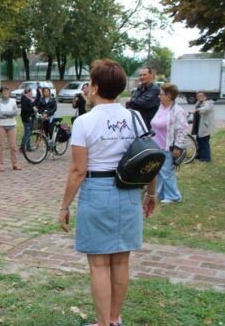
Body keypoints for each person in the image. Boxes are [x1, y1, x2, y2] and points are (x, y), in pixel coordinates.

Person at [59, 59, 157, 326]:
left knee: (99, 265)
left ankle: (103, 323)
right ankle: (114, 319)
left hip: (97, 192)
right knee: (121, 262)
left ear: (96, 86)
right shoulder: (135, 117)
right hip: (128, 192)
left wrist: (64, 205)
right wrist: (151, 194)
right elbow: (150, 160)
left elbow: (78, 171)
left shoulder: (84, 122)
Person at [151, 83, 187, 203]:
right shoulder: (161, 107)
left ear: (169, 96)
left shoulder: (178, 111)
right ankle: (161, 194)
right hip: (156, 145)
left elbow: (182, 130)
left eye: (161, 94)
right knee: (159, 172)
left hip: (167, 147)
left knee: (167, 173)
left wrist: (178, 147)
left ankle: (174, 196)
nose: (159, 96)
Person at [0, 86, 21, 172]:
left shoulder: (13, 101)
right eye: (4, 92)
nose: (6, 93)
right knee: (1, 146)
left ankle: (15, 164)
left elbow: (15, 112)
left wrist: (3, 113)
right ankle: (0, 164)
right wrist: (9, 114)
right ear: (1, 93)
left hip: (12, 125)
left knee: (13, 146)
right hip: (0, 125)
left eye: (7, 92)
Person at [192, 91, 215, 162]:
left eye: (201, 96)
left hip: (205, 126)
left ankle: (207, 158)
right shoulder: (198, 103)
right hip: (199, 125)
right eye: (198, 96)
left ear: (205, 96)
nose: (199, 97)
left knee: (205, 142)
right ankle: (200, 155)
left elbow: (206, 108)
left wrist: (197, 110)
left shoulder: (209, 102)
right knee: (198, 141)